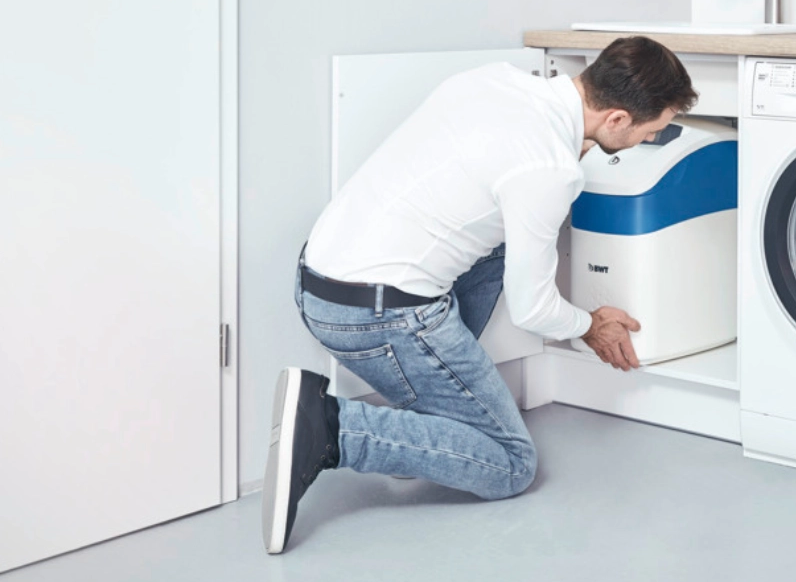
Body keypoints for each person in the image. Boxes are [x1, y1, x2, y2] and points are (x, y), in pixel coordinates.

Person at [262, 36, 698, 554]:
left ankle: (431, 424)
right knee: (511, 464)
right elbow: (534, 308)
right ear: (617, 120)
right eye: (650, 132)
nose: (648, 141)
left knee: (499, 242)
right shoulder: (548, 171)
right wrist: (590, 324)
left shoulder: (493, 80)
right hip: (376, 319)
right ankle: (331, 428)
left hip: (318, 281)